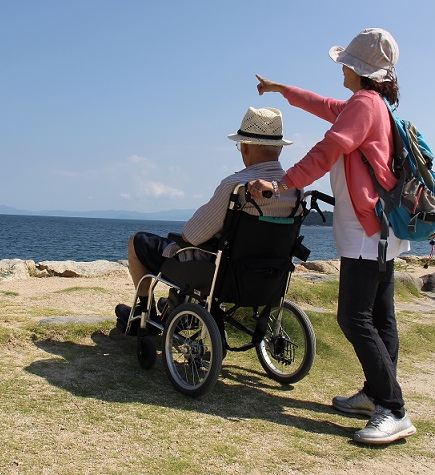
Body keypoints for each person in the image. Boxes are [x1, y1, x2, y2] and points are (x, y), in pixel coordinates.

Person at [249, 28, 416, 445]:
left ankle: (392, 409)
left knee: (353, 317)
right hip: (382, 229)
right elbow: (324, 106)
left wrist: (282, 184)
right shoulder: (371, 104)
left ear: (357, 69)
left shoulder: (362, 105)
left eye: (345, 61)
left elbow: (328, 150)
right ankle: (375, 395)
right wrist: (281, 88)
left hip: (365, 230)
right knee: (380, 317)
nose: (340, 66)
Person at [116, 106, 301, 330]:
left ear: (245, 147)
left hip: (223, 276)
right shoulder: (295, 190)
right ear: (279, 150)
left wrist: (184, 236)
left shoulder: (237, 187)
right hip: (269, 277)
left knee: (138, 242)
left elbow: (191, 235)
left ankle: (142, 314)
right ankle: (173, 307)